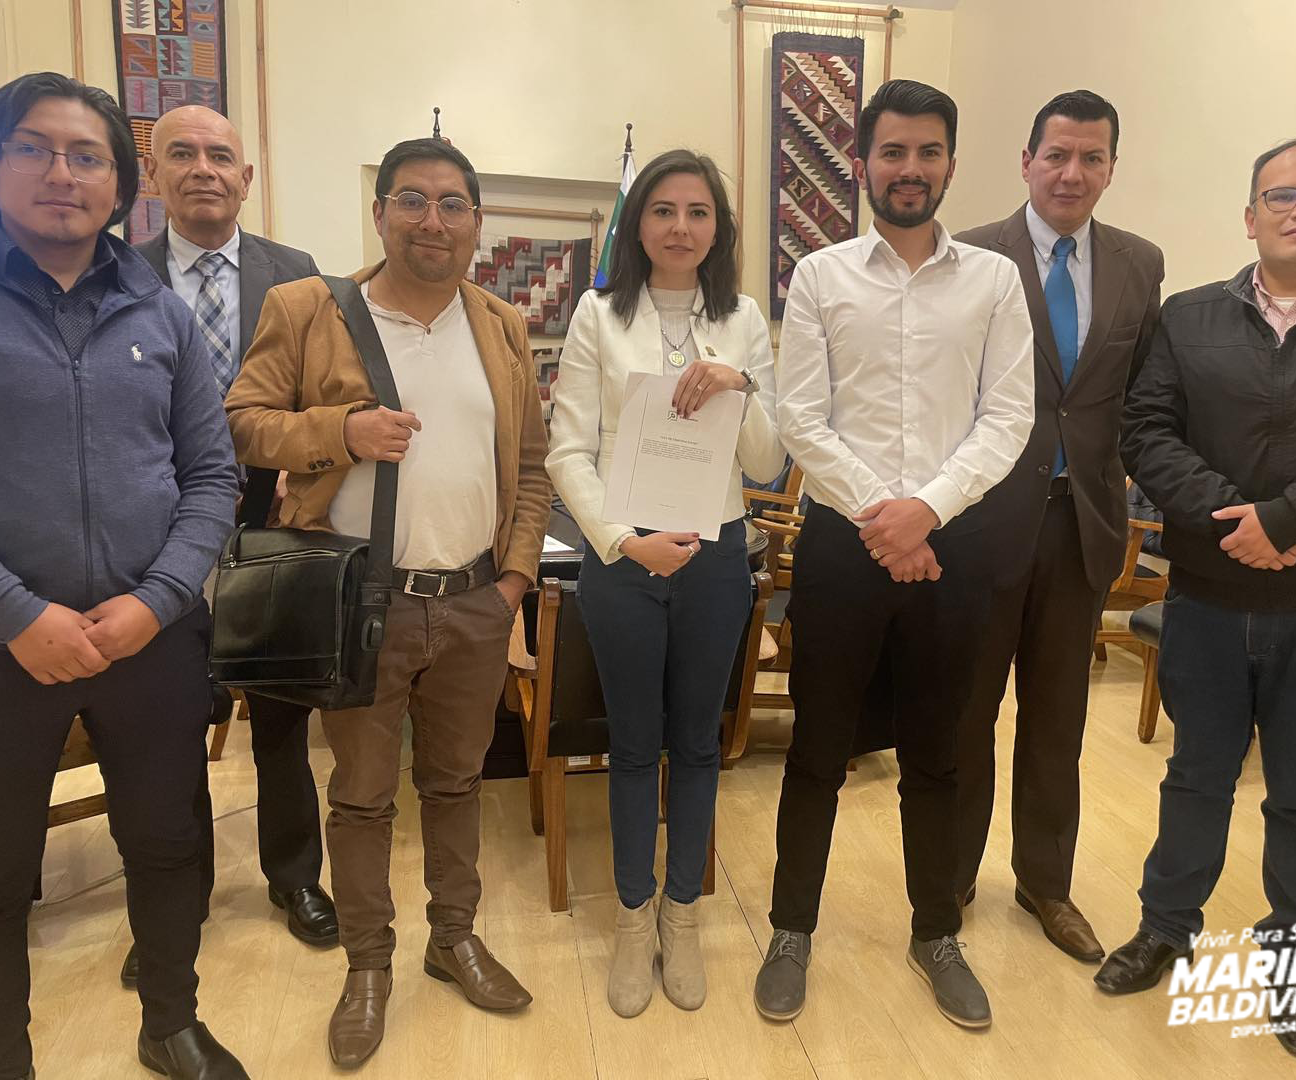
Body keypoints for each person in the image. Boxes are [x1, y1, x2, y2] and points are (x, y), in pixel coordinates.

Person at [224, 136, 551, 1067]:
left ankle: (454, 939)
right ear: (380, 213)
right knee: (363, 797)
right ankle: (369, 966)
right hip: (362, 607)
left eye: (452, 204)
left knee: (457, 784)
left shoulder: (502, 325)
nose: (432, 221)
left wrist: (513, 582)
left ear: (477, 223)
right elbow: (242, 424)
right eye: (412, 200)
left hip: (475, 604)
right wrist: (345, 431)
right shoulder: (309, 308)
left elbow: (531, 467)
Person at [1104, 136, 1296, 1061]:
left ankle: (1292, 964)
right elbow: (1145, 430)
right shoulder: (1190, 315)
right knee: (1195, 776)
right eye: (1281, 195)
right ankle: (1167, 928)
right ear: (1250, 217)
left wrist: (1287, 520)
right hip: (1207, 594)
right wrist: (1230, 521)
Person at [0, 72, 247, 1079]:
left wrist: (156, 601)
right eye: (34, 149)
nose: (62, 173)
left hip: (149, 640)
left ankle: (170, 1022)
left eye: (87, 156)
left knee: (168, 846)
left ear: (122, 186)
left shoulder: (160, 315)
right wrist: (13, 612)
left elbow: (212, 477)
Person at [755, 79, 1035, 1030]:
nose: (909, 169)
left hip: (955, 545)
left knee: (939, 753)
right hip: (844, 543)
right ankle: (791, 931)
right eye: (892, 152)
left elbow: (1009, 416)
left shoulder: (993, 280)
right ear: (863, 164)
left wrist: (928, 511)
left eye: (927, 152)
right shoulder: (821, 275)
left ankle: (935, 933)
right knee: (817, 751)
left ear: (950, 163)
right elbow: (800, 416)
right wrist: (886, 517)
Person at [546, 149, 784, 1018]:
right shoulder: (598, 315)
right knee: (632, 746)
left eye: (698, 212)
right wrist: (622, 542)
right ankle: (631, 917)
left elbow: (767, 459)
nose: (681, 227)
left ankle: (683, 915)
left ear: (718, 228)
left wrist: (740, 384)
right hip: (625, 559)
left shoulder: (744, 318)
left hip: (716, 559)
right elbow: (567, 451)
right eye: (663, 210)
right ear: (638, 224)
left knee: (697, 745)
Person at [121, 104, 334, 992]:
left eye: (221, 156)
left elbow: (326, 392)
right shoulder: (116, 275)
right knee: (170, 725)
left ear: (246, 178)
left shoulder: (298, 273)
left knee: (281, 715)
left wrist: (302, 465)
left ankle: (296, 878)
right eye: (182, 154)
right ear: (153, 175)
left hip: (272, 523)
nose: (203, 169)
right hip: (155, 535)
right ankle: (176, 902)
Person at [952, 90, 1163, 961]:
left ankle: (1046, 884)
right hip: (981, 526)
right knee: (965, 714)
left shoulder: (1140, 263)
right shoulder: (969, 254)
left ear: (1111, 168)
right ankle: (949, 875)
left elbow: (1142, 400)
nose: (1072, 173)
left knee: (1058, 722)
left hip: (1082, 526)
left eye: (1092, 158)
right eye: (1058, 155)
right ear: (1027, 161)